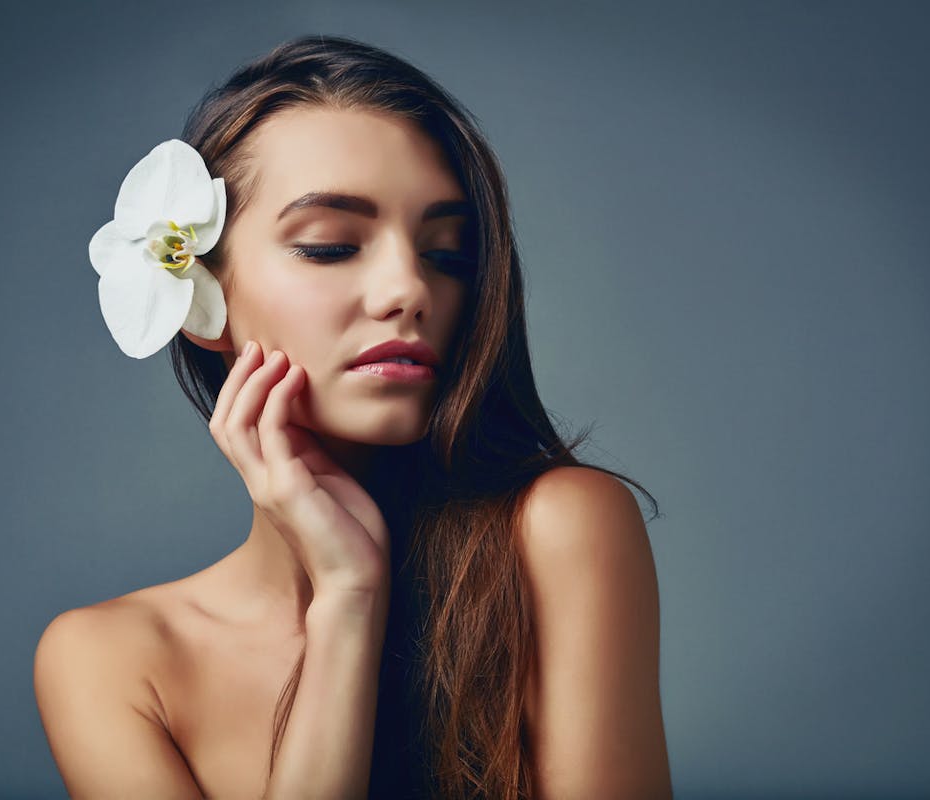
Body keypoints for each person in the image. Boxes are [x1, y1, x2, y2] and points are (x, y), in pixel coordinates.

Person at [33, 34, 672, 800]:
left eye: (449, 254)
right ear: (202, 301)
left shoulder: (558, 530)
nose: (410, 289)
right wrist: (347, 602)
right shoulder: (107, 661)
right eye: (332, 246)